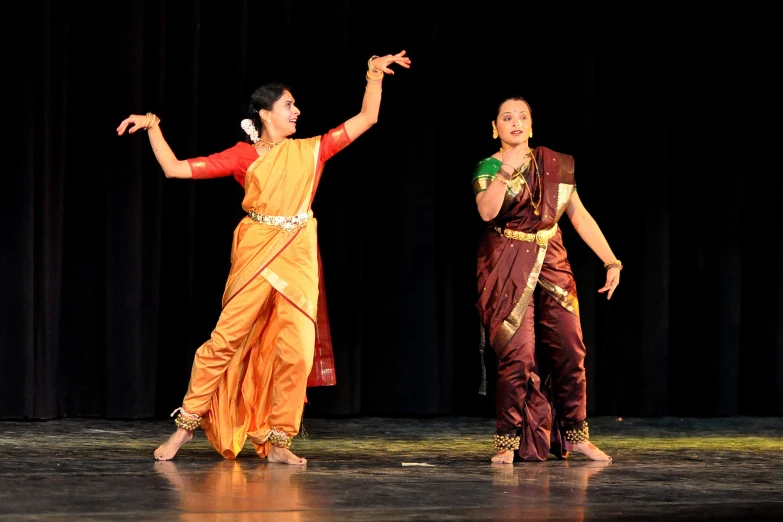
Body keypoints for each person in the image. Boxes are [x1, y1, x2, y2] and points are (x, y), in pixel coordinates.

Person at [117, 50, 411, 465]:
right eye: (289, 105)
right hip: (257, 251)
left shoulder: (312, 150)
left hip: (298, 254)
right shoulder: (243, 156)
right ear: (265, 115)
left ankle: (279, 441)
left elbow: (367, 119)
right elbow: (174, 169)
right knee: (224, 342)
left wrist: (374, 76)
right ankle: (183, 431)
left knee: (296, 351)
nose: (297, 111)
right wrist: (153, 126)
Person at [471, 95, 620, 464]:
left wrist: (611, 260)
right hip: (507, 265)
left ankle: (575, 435)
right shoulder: (486, 168)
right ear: (495, 128)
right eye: (507, 118)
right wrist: (506, 170)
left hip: (553, 262)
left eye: (523, 117)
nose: (516, 123)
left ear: (532, 126)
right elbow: (487, 211)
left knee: (571, 350)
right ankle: (507, 441)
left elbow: (579, 216)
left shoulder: (555, 167)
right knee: (518, 355)